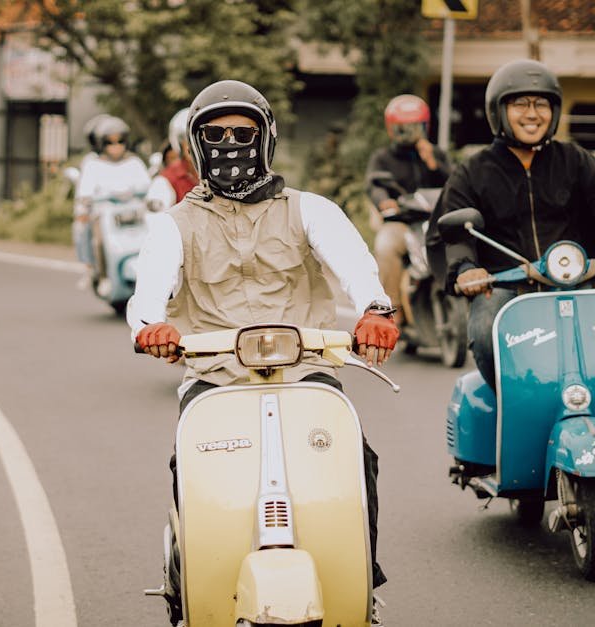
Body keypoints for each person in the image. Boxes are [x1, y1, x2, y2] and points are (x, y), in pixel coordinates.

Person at [127, 80, 399, 622]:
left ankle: (360, 584)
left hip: (305, 374)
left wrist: (375, 308)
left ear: (266, 139)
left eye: (243, 133)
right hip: (216, 380)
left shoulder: (309, 209)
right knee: (193, 474)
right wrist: (151, 327)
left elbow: (354, 262)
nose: (231, 144)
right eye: (216, 134)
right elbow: (147, 293)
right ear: (197, 145)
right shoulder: (173, 225)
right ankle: (188, 583)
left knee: (355, 458)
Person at [426, 59, 595, 389]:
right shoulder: (473, 171)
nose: (533, 113)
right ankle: (512, 407)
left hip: (576, 284)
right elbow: (453, 230)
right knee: (484, 335)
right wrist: (466, 268)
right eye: (520, 104)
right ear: (498, 110)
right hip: (504, 288)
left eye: (542, 104)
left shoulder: (576, 161)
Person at [365, 95, 450, 324]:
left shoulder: (434, 153)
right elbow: (374, 185)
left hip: (434, 221)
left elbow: (454, 184)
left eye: (414, 129)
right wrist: (383, 201)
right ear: (391, 130)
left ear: (425, 127)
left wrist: (434, 164)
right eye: (402, 130)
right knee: (386, 245)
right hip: (401, 222)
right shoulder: (383, 158)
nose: (408, 135)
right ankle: (394, 306)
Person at [73, 116, 151, 282]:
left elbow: (147, 186)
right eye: (110, 142)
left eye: (120, 141)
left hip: (135, 212)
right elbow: (84, 193)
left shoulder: (134, 162)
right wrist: (85, 206)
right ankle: (101, 275)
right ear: (102, 144)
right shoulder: (93, 165)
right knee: (98, 240)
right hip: (105, 213)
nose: (116, 147)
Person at [146, 108, 199, 211]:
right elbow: (157, 219)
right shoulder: (166, 179)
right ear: (179, 143)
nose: (195, 144)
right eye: (187, 138)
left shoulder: (226, 172)